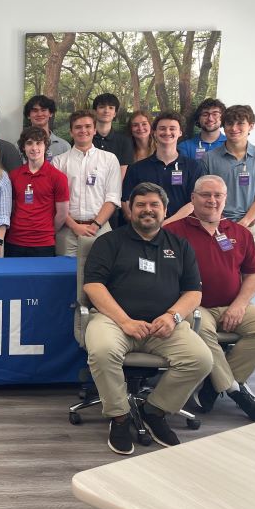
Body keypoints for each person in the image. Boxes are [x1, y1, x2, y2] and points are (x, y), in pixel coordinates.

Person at [84, 182, 212, 455]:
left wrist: (172, 316)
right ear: (130, 210)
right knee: (102, 351)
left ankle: (155, 410)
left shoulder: (180, 246)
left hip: (163, 324)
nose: (148, 210)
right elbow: (93, 286)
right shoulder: (108, 242)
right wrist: (125, 321)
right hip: (114, 320)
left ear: (165, 210)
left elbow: (194, 292)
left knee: (201, 359)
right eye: (140, 204)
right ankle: (119, 417)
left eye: (154, 204)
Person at [167, 175, 255, 422]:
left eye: (217, 195)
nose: (212, 200)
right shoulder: (173, 232)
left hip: (233, 304)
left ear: (225, 199)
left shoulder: (240, 232)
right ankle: (234, 389)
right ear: (193, 198)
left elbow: (253, 274)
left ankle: (214, 383)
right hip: (195, 306)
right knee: (201, 330)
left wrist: (239, 305)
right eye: (205, 195)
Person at [202, 105, 255, 248]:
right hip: (217, 227)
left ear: (251, 126)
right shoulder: (209, 158)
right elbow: (204, 195)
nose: (234, 128)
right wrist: (219, 222)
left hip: (249, 226)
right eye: (229, 123)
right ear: (223, 126)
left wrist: (244, 223)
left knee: (249, 264)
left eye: (240, 123)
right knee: (217, 263)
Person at [51, 110, 120, 256]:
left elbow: (112, 198)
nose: (83, 130)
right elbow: (54, 201)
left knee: (102, 269)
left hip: (100, 229)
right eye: (78, 127)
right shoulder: (58, 162)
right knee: (65, 270)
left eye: (88, 126)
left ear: (95, 130)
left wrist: (95, 225)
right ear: (71, 132)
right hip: (68, 230)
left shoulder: (109, 159)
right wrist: (74, 226)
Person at [121, 111, 204, 226]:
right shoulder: (136, 168)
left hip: (182, 229)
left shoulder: (193, 167)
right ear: (154, 132)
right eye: (162, 128)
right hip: (146, 229)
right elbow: (127, 201)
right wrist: (145, 226)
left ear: (180, 132)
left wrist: (165, 224)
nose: (167, 132)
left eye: (172, 128)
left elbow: (194, 202)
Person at [6, 127, 69, 257]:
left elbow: (62, 214)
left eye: (39, 143)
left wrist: (46, 231)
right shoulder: (14, 175)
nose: (34, 148)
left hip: (44, 243)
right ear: (23, 147)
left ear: (46, 146)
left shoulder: (58, 177)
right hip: (15, 240)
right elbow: (11, 208)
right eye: (29, 143)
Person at [91, 92, 133, 177]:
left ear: (115, 113)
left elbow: (121, 175)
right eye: (102, 107)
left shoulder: (124, 141)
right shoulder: (86, 138)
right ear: (95, 112)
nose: (106, 111)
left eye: (111, 108)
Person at [23, 94, 71, 161]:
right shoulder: (19, 146)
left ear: (50, 113)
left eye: (43, 110)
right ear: (28, 115)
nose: (39, 114)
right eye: (35, 111)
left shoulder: (64, 146)